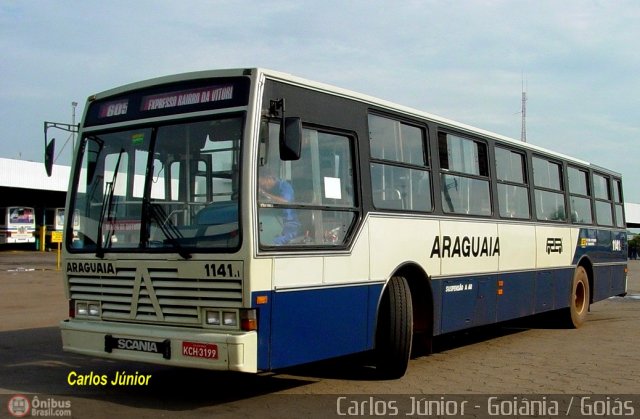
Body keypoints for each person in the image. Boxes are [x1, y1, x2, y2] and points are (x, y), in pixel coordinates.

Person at [259, 171, 300, 245]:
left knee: (273, 243)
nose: (263, 187)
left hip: (289, 225)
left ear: (269, 178)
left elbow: (285, 201)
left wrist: (264, 194)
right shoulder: (271, 190)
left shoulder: (285, 186)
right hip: (275, 223)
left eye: (263, 185)